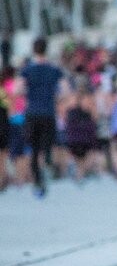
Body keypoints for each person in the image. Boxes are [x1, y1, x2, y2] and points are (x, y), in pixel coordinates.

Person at [20, 38, 64, 197]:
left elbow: (18, 89)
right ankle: (47, 164)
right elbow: (64, 90)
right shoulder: (54, 70)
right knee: (47, 146)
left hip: (32, 112)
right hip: (48, 112)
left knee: (33, 148)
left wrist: (28, 94)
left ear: (33, 50)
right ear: (46, 49)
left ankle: (37, 181)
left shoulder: (27, 70)